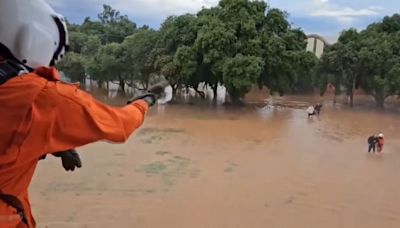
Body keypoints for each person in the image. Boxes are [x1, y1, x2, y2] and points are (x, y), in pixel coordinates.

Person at [0, 1, 168, 227]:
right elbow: (120, 125)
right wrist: (145, 100)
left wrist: (58, 146)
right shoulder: (37, 96)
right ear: (34, 39)